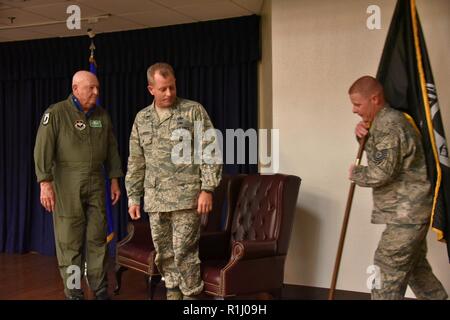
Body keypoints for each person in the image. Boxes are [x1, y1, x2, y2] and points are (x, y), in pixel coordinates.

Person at [125, 62, 222, 300]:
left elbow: (210, 150)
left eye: (172, 87)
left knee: (185, 253)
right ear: (151, 89)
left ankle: (191, 298)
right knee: (164, 254)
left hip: (186, 199)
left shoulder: (193, 111)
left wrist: (207, 188)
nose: (169, 93)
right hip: (156, 200)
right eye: (163, 89)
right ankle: (173, 296)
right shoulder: (142, 118)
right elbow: (136, 161)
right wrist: (133, 197)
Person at [348, 75, 447, 300]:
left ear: (375, 98)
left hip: (406, 215)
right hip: (410, 213)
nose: (354, 110)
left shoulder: (389, 125)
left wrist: (356, 173)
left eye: (357, 104)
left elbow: (382, 172)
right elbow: (387, 158)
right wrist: (361, 136)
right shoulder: (384, 123)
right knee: (416, 271)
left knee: (385, 269)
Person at [34, 71, 123, 300]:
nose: (96, 92)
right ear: (75, 89)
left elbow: (111, 149)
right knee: (70, 244)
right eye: (91, 88)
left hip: (96, 183)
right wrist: (45, 183)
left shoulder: (101, 115)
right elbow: (42, 149)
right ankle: (74, 291)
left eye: (97, 88)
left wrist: (114, 178)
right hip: (67, 185)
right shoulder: (56, 114)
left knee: (97, 239)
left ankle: (100, 288)